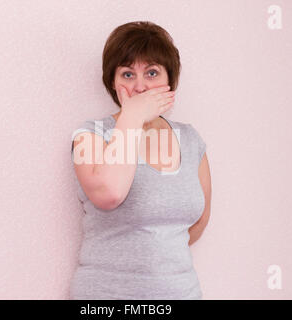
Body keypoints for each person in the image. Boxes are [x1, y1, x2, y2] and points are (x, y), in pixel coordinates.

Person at [70, 21, 212, 300]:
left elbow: (196, 224)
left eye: (151, 72)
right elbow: (109, 194)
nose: (139, 86)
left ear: (169, 79)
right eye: (127, 74)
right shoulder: (90, 135)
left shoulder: (191, 139)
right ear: (112, 81)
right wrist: (133, 116)